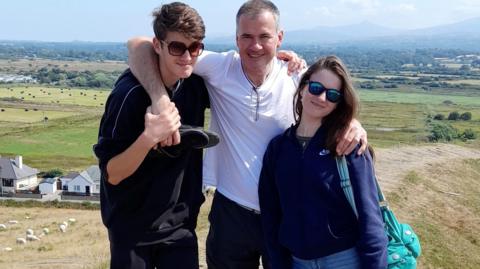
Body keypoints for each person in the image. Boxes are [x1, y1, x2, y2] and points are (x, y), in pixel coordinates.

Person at [127, 1, 368, 268]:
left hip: (284, 212)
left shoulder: (296, 75)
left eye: (264, 36)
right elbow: (138, 44)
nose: (255, 46)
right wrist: (159, 100)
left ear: (279, 38)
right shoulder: (220, 67)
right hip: (231, 212)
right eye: (247, 37)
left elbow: (330, 100)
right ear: (236, 39)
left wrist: (352, 123)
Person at [93, 2, 213, 268]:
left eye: (194, 48)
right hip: (132, 231)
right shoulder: (129, 96)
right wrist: (148, 138)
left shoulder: (193, 84)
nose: (186, 57)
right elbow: (113, 172)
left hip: (180, 225)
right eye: (177, 47)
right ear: (157, 45)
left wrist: (278, 59)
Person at [258, 56, 388, 269]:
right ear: (302, 88)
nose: (322, 97)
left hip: (345, 260)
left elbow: (370, 218)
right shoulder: (278, 149)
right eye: (316, 87)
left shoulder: (348, 146)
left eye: (333, 94)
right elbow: (271, 216)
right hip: (296, 261)